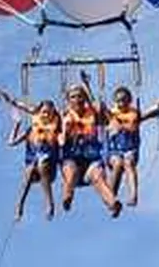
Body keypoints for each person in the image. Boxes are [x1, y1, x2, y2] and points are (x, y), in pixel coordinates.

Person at [106, 82, 159, 207]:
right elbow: (94, 108)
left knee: (128, 163)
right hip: (114, 149)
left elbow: (155, 109)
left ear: (129, 101)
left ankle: (133, 195)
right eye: (118, 101)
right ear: (115, 101)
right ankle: (111, 197)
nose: (121, 103)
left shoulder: (135, 114)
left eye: (124, 100)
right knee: (118, 164)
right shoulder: (110, 114)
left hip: (130, 148)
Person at [60, 78, 122, 218]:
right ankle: (67, 197)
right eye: (73, 97)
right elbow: (58, 138)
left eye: (80, 96)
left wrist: (87, 86)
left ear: (84, 98)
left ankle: (113, 204)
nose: (77, 99)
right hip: (72, 159)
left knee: (98, 177)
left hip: (91, 159)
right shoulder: (64, 117)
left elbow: (103, 111)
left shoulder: (93, 113)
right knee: (71, 172)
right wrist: (64, 132)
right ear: (68, 101)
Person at [0, 89, 60, 221]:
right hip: (34, 167)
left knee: (42, 164)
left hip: (49, 169)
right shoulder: (31, 130)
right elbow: (11, 142)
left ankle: (49, 203)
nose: (46, 115)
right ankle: (19, 205)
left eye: (49, 113)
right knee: (30, 171)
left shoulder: (57, 125)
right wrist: (16, 123)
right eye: (43, 112)